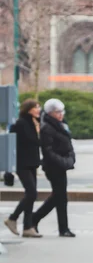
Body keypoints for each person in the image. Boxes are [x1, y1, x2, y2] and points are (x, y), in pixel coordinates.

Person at [32, 99, 76, 237]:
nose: (61, 114)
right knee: (60, 197)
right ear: (50, 113)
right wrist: (63, 161)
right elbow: (48, 150)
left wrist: (70, 159)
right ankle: (39, 219)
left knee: (59, 196)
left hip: (62, 164)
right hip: (53, 167)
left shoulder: (61, 125)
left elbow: (68, 144)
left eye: (62, 111)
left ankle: (59, 226)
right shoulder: (47, 128)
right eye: (58, 112)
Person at [4, 99, 42, 238]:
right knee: (31, 193)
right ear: (28, 109)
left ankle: (27, 227)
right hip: (22, 163)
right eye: (35, 107)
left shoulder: (35, 123)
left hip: (32, 163)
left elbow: (37, 143)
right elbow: (12, 143)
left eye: (39, 107)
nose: (38, 110)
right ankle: (12, 218)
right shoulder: (20, 124)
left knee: (32, 195)